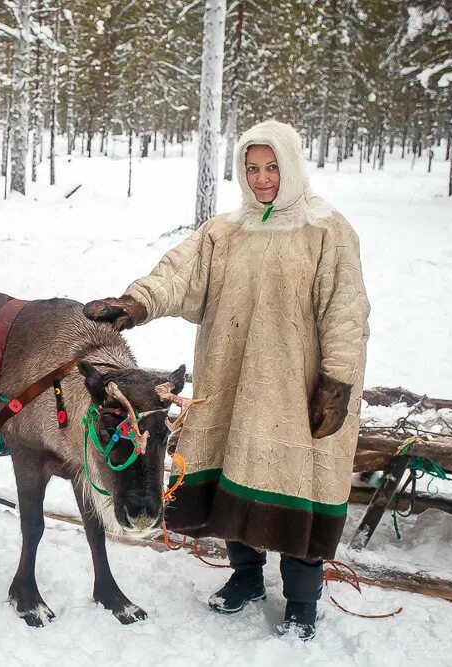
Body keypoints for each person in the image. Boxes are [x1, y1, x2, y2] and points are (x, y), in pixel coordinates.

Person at [84, 120, 370, 640]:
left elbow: (346, 312)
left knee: (297, 480)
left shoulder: (327, 230)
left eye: (272, 167)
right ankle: (246, 579)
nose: (262, 179)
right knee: (232, 472)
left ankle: (303, 600)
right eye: (252, 168)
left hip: (294, 387)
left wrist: (338, 381)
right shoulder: (225, 231)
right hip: (233, 377)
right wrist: (137, 302)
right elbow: (178, 275)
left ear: (293, 165)